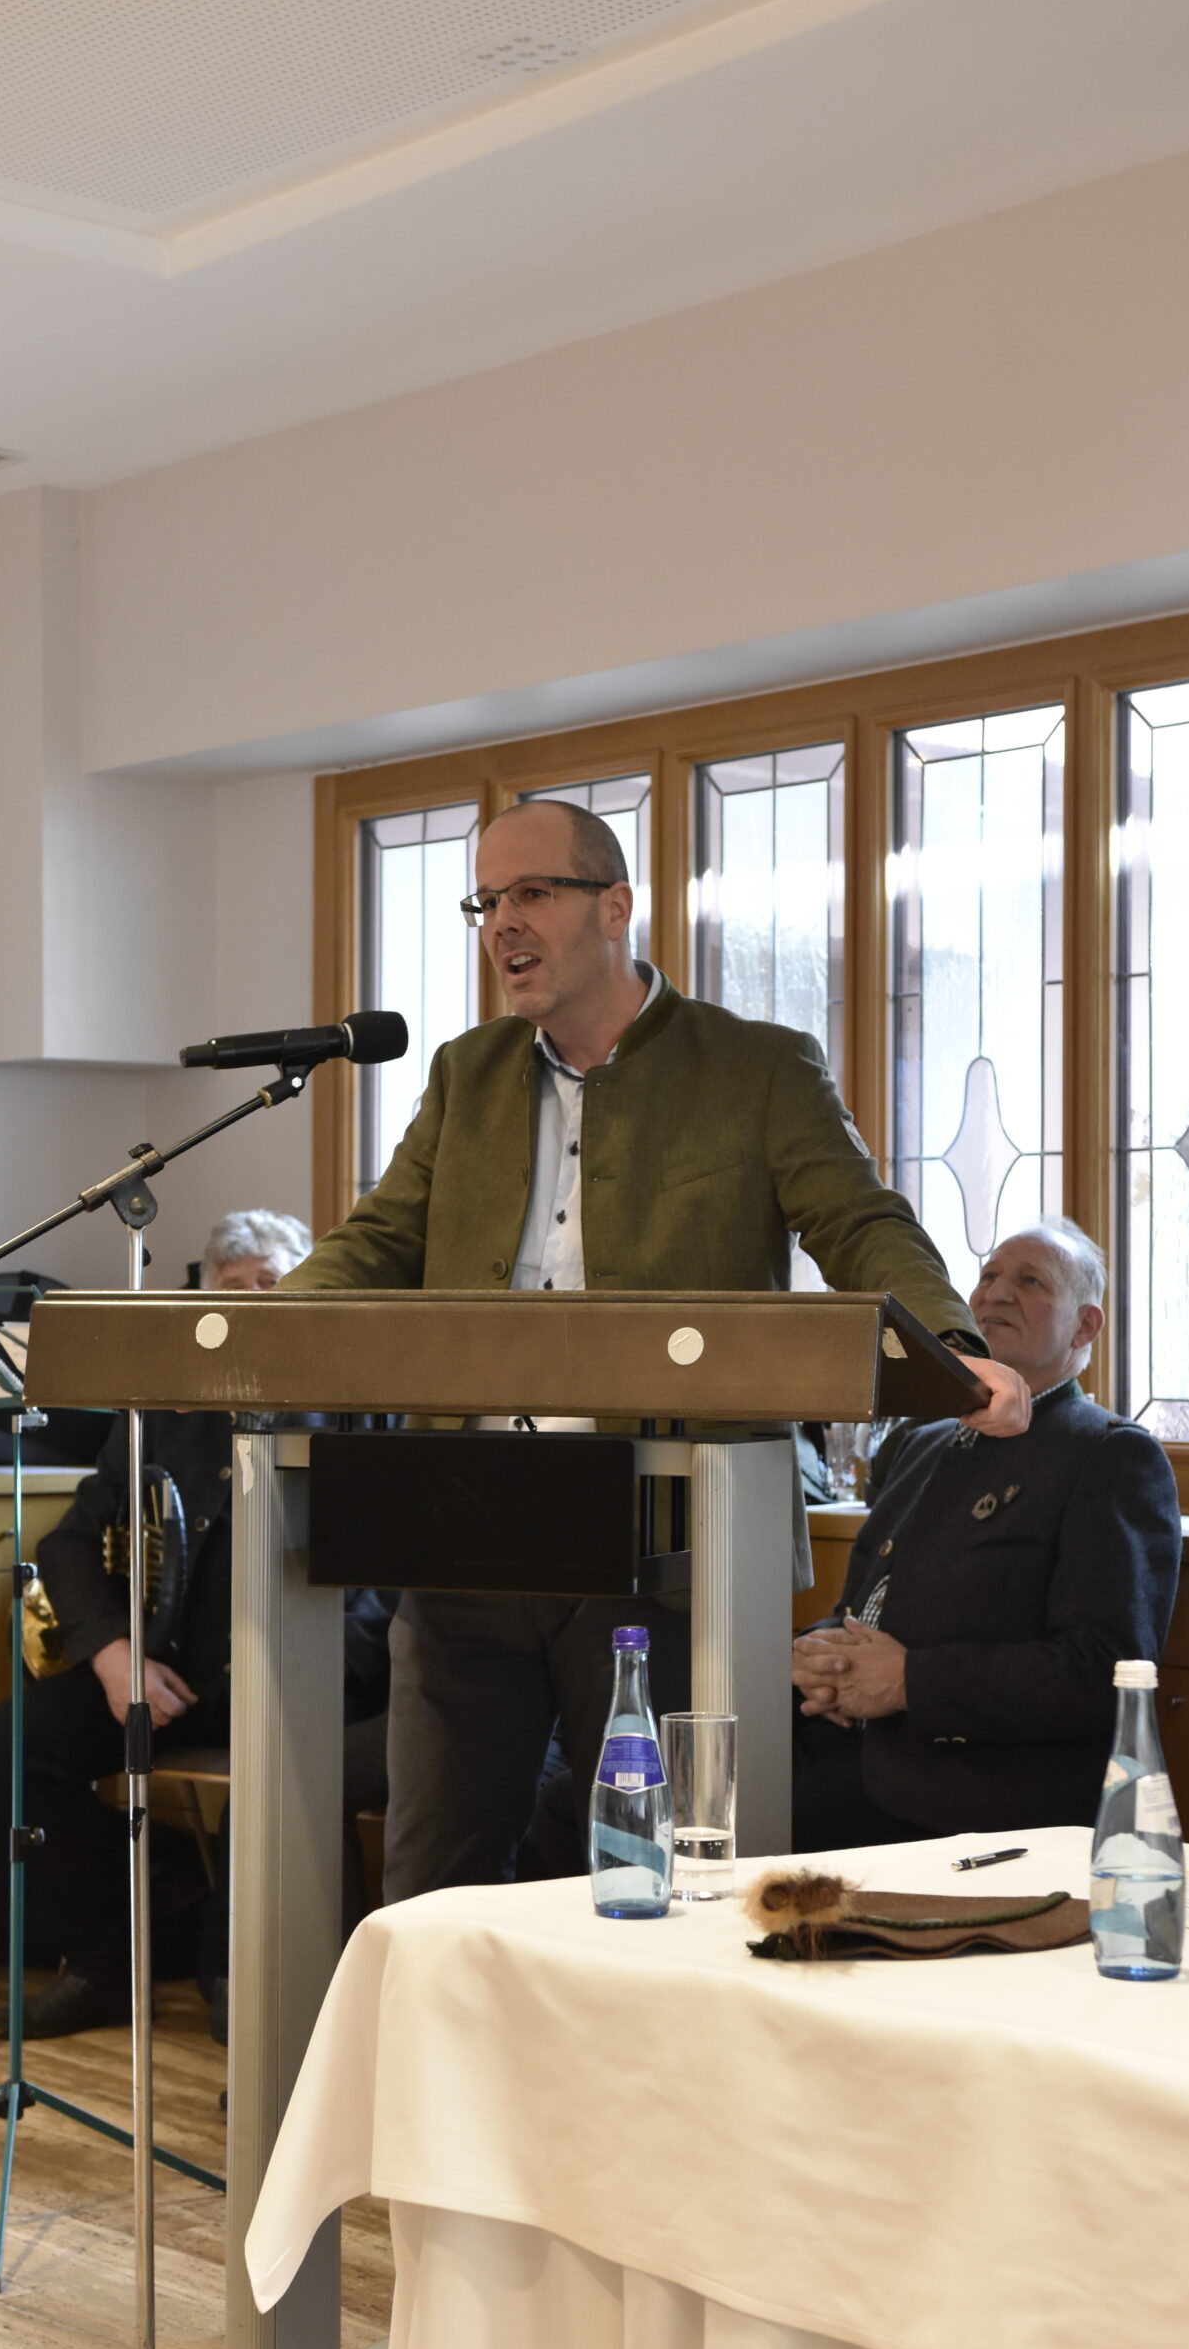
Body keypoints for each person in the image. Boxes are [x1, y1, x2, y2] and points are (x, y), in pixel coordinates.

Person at [278, 796, 1032, 1902]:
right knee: (433, 1879)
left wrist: (951, 1350)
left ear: (614, 905)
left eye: (531, 892)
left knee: (664, 1877)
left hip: (664, 1532)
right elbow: (380, 1240)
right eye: (485, 902)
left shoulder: (755, 1066)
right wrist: (272, 1328)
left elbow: (860, 1223)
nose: (502, 923)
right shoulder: (465, 1072)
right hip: (464, 1523)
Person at [0, 1208, 390, 2039]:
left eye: (272, 1284)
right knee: (18, 1739)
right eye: (233, 1286)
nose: (251, 1300)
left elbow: (389, 1583)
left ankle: (242, 1994)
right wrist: (111, 1654)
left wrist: (309, 1670)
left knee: (270, 1776)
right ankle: (101, 1965)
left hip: (306, 1682)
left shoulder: (358, 1404)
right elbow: (67, 1543)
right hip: (171, 1678)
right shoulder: (162, 1412)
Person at [791, 1220, 1182, 1848]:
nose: (995, 1294)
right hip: (841, 1754)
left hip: (973, 1802)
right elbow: (866, 1608)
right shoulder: (919, 1443)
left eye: (1031, 1282)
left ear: (1085, 1327)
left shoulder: (1108, 1455)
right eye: (988, 1276)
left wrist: (910, 1681)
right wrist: (817, 1655)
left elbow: (1107, 1673)